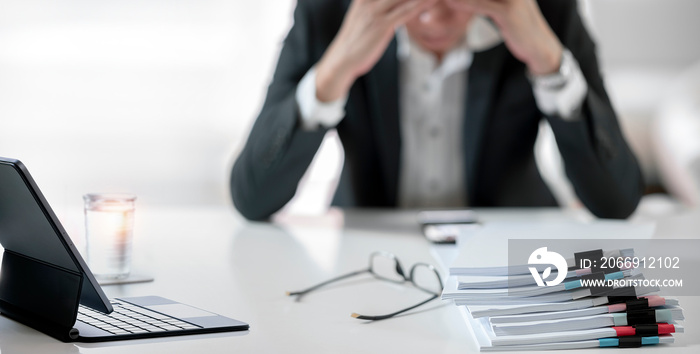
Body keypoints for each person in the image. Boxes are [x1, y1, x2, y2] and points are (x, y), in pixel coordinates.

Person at [230, 0, 643, 220]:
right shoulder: (329, 10)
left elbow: (618, 199)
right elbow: (252, 197)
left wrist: (550, 63)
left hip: (514, 256)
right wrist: (335, 69)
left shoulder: (543, 10)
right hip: (368, 254)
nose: (433, 15)